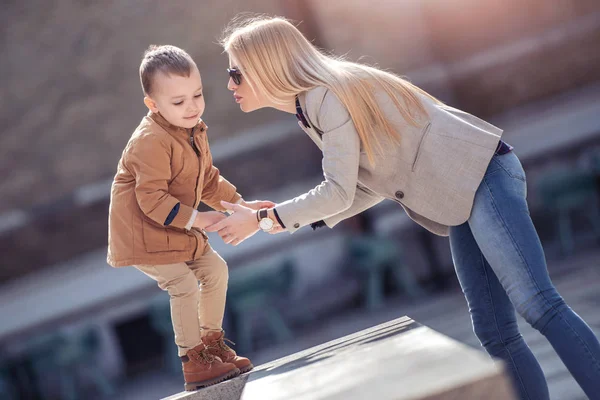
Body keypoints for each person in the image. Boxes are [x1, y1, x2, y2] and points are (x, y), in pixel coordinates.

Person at [205, 16, 600, 399]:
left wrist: (263, 219)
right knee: (495, 331)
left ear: (266, 66)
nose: (229, 84)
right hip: (456, 193)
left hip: (482, 175)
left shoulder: (324, 97)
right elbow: (364, 188)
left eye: (236, 73)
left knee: (538, 304)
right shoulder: (311, 107)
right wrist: (276, 219)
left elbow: (339, 190)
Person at [107, 45, 270, 391]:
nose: (192, 106)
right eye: (178, 102)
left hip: (175, 228)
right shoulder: (150, 141)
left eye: (197, 95)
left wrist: (239, 206)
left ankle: (211, 346)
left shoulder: (193, 130)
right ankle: (193, 360)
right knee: (182, 284)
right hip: (143, 233)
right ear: (153, 105)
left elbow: (207, 179)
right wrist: (201, 220)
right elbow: (150, 199)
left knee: (215, 270)